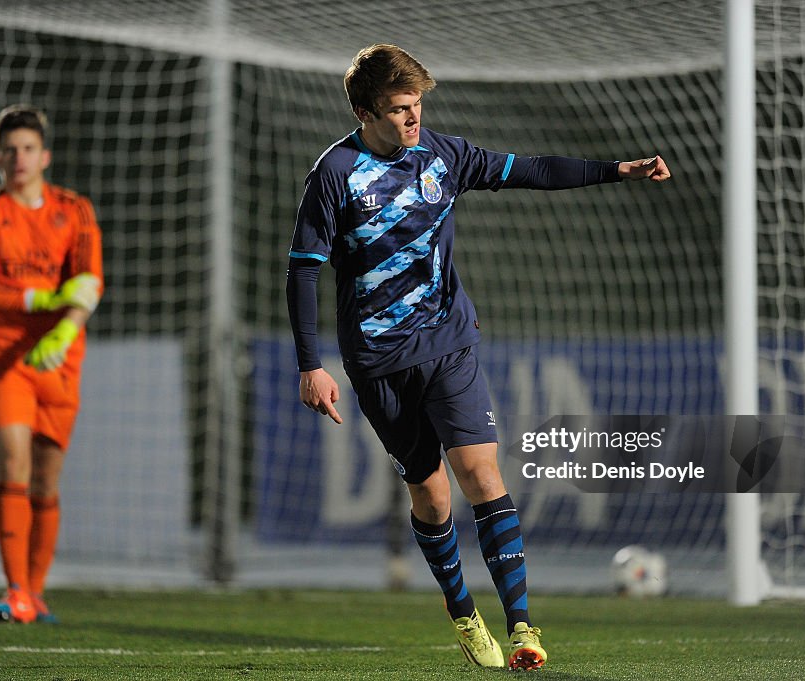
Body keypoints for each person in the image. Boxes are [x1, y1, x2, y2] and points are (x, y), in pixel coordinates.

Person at [286, 44, 670, 670]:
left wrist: (616, 170)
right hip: (378, 359)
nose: (413, 120)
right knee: (433, 499)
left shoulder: (444, 155)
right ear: (363, 111)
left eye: (417, 107)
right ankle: (463, 613)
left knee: (481, 474)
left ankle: (522, 627)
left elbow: (533, 169)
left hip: (448, 343)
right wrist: (311, 364)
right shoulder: (334, 175)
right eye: (399, 110)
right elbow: (302, 273)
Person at [0, 104, 104, 624]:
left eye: (28, 149)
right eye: (10, 150)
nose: (19, 159)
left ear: (45, 156)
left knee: (46, 479)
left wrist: (65, 328)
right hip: (6, 357)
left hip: (60, 359)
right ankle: (15, 589)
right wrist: (37, 300)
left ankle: (35, 595)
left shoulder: (75, 211)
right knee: (13, 464)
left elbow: (88, 282)